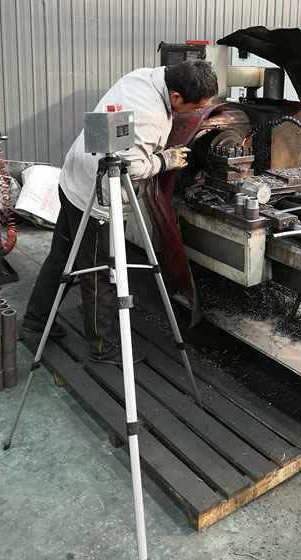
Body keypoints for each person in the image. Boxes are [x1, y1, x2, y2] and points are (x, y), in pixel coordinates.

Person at [22, 60, 218, 363]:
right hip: (95, 196)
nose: (195, 112)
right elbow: (133, 167)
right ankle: (104, 346)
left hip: (74, 177)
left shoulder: (144, 76)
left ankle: (35, 322)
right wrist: (166, 160)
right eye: (194, 107)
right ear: (176, 96)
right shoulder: (149, 116)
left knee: (62, 256)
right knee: (98, 272)